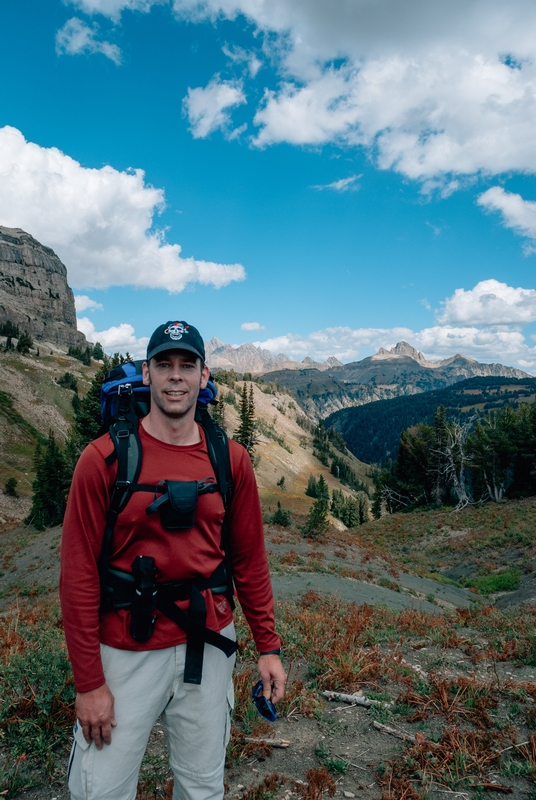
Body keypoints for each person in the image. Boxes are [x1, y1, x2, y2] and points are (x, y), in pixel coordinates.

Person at [60, 320, 286, 800]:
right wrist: (89, 683)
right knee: (99, 791)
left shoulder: (232, 461)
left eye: (188, 365)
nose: (176, 376)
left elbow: (249, 560)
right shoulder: (102, 460)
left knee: (203, 787)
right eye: (165, 364)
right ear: (147, 374)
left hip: (209, 642)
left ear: (205, 377)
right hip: (124, 652)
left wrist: (268, 647)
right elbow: (78, 576)